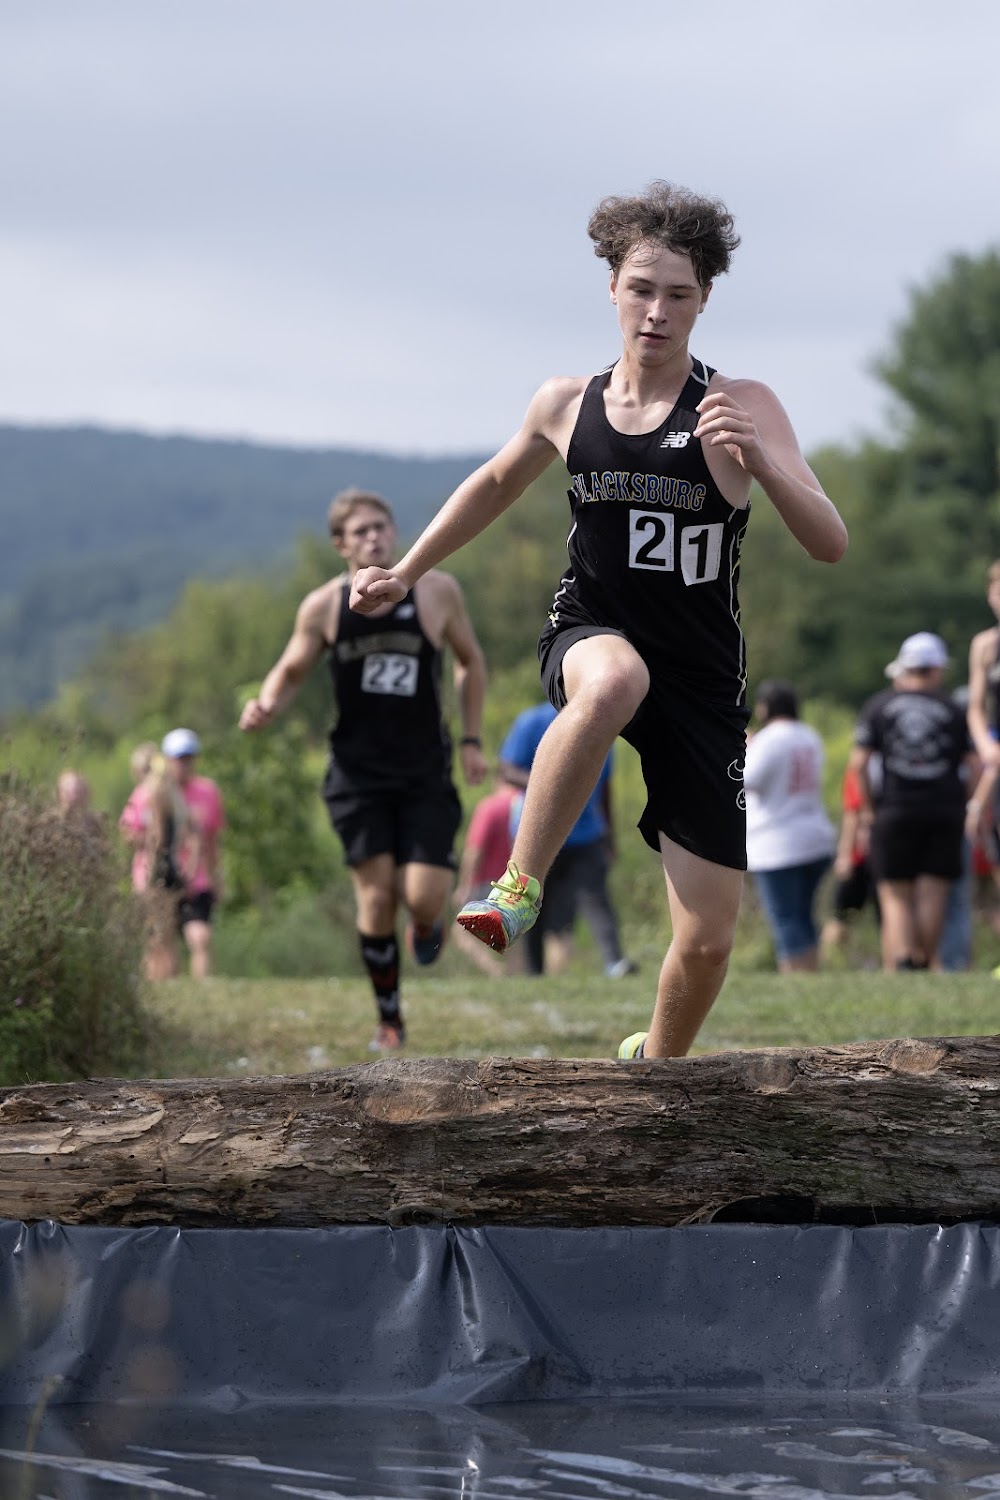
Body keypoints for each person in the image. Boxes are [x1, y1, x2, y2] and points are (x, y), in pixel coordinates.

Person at [350, 181, 848, 1059]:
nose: (657, 312)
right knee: (617, 679)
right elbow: (493, 484)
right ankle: (517, 887)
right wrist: (406, 571)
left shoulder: (741, 402)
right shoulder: (565, 402)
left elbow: (830, 543)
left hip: (700, 680)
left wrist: (763, 464)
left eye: (679, 295)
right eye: (641, 289)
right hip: (591, 633)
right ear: (612, 287)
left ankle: (656, 1070)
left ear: (705, 299)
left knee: (708, 940)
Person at [239, 487, 487, 1050]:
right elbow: (291, 669)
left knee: (423, 896)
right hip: (357, 776)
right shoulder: (323, 606)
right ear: (341, 545)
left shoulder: (437, 591)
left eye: (381, 527)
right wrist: (266, 704)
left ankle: (424, 922)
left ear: (394, 532)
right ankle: (389, 1019)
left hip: (424, 771)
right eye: (361, 531)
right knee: (375, 898)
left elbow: (471, 661)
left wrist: (472, 739)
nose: (374, 537)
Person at [850, 632, 975, 971]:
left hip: (894, 809)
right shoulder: (953, 709)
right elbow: (974, 766)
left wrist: (867, 811)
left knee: (895, 894)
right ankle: (923, 961)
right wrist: (965, 804)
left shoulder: (879, 705)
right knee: (934, 889)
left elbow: (858, 764)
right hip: (944, 810)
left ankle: (904, 959)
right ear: (936, 669)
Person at [498, 701, 636, 978]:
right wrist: (552, 782)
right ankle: (534, 972)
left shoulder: (601, 722)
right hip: (542, 833)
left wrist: (610, 836)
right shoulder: (532, 722)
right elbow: (506, 769)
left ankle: (614, 963)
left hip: (587, 834)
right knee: (534, 903)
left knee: (597, 899)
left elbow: (604, 786)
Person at [743, 680, 836, 973]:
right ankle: (811, 971)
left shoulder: (768, 739)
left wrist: (746, 748)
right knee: (805, 915)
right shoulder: (809, 735)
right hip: (815, 836)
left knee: (785, 918)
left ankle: (795, 975)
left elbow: (746, 780)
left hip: (777, 842)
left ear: (765, 707)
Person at [161, 728, 224, 979]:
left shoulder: (208, 792)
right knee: (163, 942)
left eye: (189, 758)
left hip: (197, 879)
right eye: (179, 758)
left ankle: (201, 990)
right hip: (163, 877)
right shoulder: (155, 792)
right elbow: (133, 831)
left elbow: (213, 839)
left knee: (201, 937)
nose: (184, 764)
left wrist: (216, 876)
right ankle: (169, 990)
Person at [451, 769, 522, 976]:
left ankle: (496, 971)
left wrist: (464, 886)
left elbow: (475, 851)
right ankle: (517, 977)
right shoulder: (525, 806)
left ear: (498, 779)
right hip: (517, 882)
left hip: (487, 883)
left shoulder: (490, 807)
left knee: (460, 932)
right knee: (514, 935)